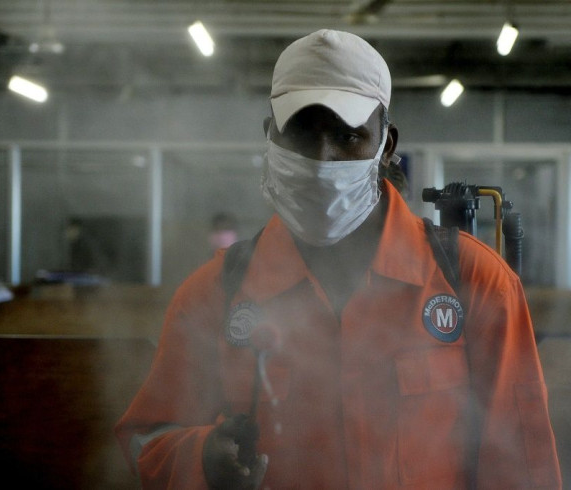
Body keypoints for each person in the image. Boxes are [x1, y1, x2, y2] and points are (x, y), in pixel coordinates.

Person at [115, 29, 562, 489]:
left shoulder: (474, 281)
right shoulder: (214, 294)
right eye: (302, 133)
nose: (323, 160)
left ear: (387, 145)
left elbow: (522, 466)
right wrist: (200, 456)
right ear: (270, 136)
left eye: (349, 136)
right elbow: (147, 439)